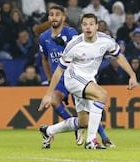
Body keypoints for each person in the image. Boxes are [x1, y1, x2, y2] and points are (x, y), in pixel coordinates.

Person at [38, 13, 139, 150]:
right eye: (85, 24)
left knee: (83, 122)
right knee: (102, 95)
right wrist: (49, 94)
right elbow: (59, 71)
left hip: (88, 81)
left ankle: (47, 131)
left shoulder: (106, 41)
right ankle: (91, 141)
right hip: (73, 79)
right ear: (81, 27)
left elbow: (118, 56)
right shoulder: (74, 45)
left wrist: (132, 75)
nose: (88, 27)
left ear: (97, 26)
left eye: (91, 24)